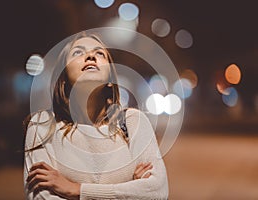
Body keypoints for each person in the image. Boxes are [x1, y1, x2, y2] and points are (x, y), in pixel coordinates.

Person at [23, 32, 169, 200]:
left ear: (110, 78)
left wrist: (76, 190)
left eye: (100, 53)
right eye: (78, 52)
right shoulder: (42, 125)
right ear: (62, 77)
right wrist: (129, 190)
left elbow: (158, 192)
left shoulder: (132, 122)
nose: (91, 56)